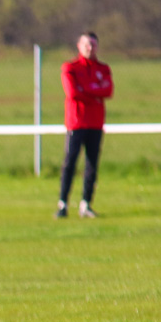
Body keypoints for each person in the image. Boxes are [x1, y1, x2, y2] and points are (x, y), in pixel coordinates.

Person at [55, 31, 113, 219]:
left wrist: (85, 88)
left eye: (93, 44)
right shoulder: (70, 67)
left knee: (92, 165)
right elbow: (73, 92)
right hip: (76, 123)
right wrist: (94, 91)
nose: (90, 48)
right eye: (87, 44)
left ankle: (86, 204)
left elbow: (108, 90)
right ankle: (63, 203)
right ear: (79, 46)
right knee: (70, 163)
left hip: (95, 123)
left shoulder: (103, 68)